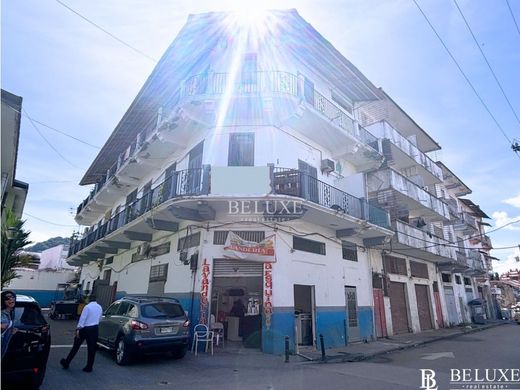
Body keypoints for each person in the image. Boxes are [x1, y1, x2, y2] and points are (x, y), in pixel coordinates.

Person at [60, 294, 102, 372]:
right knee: (92, 349)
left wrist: (78, 329)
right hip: (94, 329)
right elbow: (99, 319)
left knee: (76, 346)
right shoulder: (99, 307)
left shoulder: (87, 307)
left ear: (89, 300)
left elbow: (82, 319)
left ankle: (67, 362)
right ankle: (89, 367)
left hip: (85, 329)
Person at [1, 291, 17, 358]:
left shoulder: (11, 312)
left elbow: (8, 326)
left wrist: (11, 330)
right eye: (7, 298)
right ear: (3, 301)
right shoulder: (2, 313)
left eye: (12, 297)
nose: (11, 299)